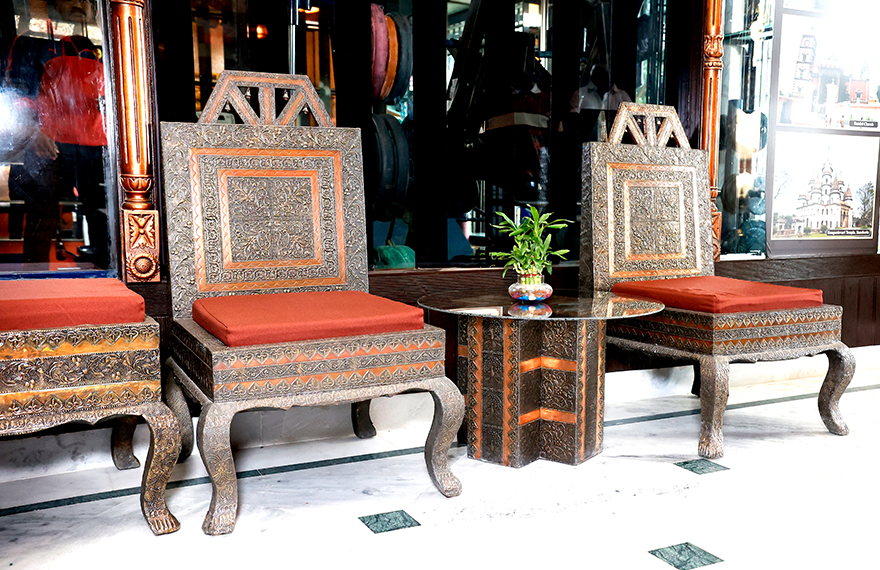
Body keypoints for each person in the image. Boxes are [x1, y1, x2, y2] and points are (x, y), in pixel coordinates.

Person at [1, 0, 109, 267]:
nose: (77, 3)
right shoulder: (33, 42)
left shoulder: (92, 45)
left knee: (93, 209)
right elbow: (20, 92)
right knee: (46, 213)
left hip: (89, 141)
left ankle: (102, 265)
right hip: (55, 141)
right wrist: (34, 131)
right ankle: (35, 272)